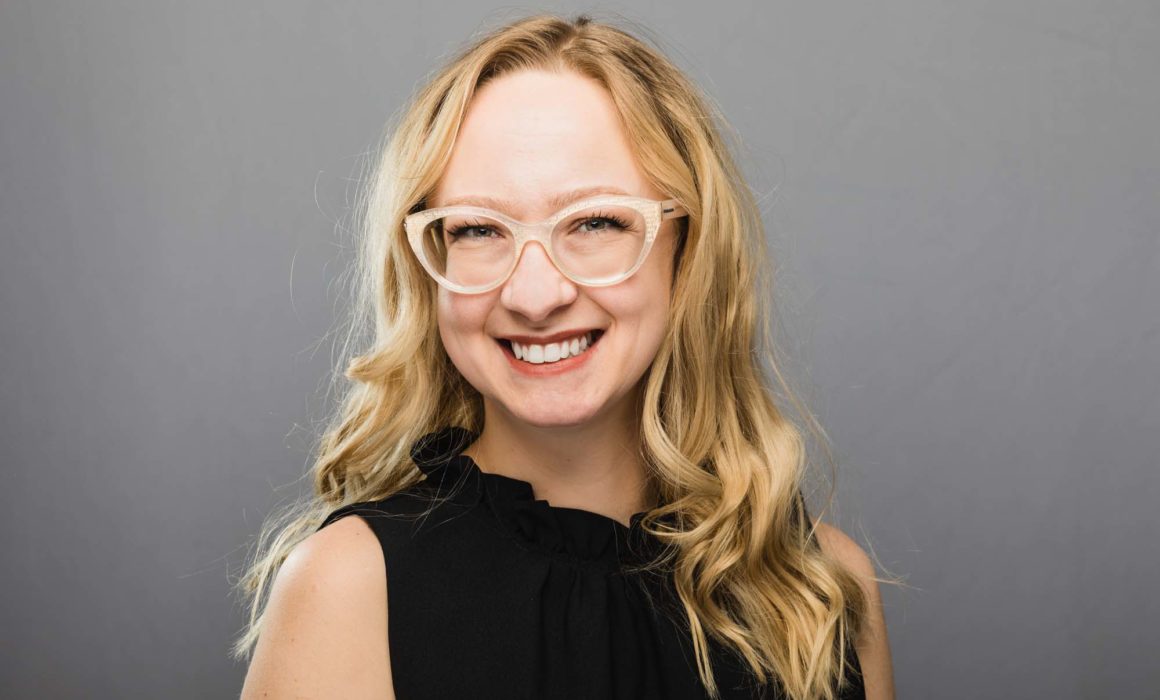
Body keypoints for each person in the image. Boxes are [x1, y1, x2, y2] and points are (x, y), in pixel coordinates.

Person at [235, 13, 894, 700]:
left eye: (595, 221)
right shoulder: (348, 587)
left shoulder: (822, 590)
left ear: (689, 249)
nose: (535, 295)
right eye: (478, 229)